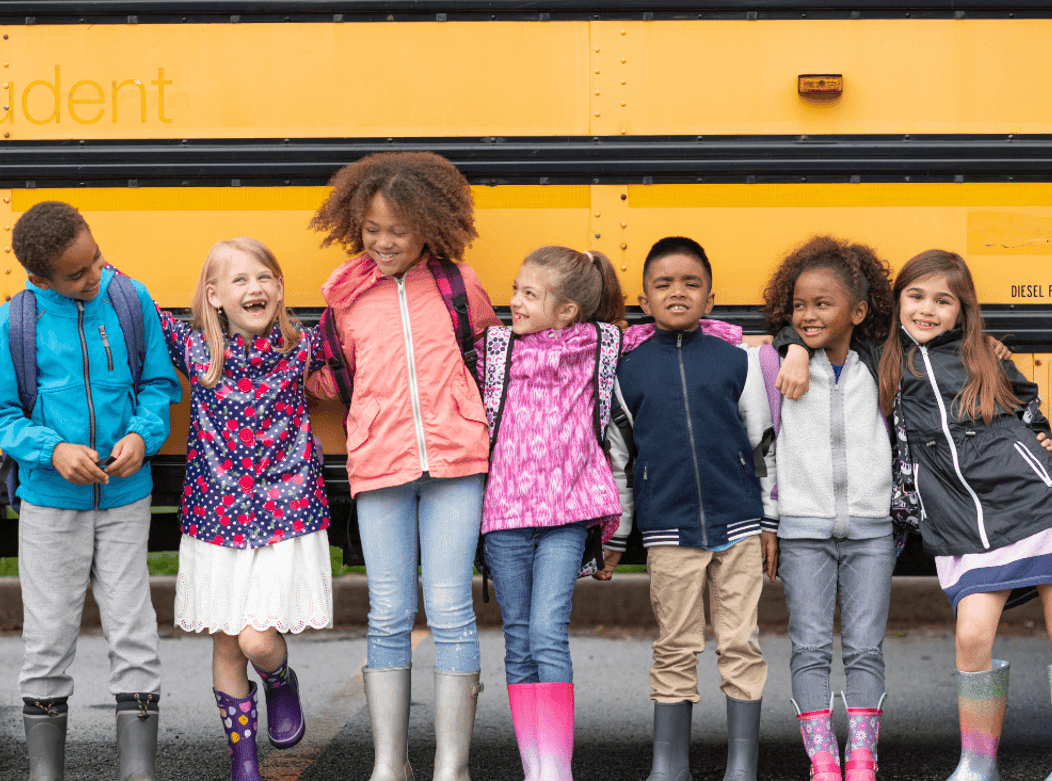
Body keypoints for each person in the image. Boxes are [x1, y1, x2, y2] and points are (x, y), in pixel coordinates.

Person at [876, 249, 1052, 781]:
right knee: (973, 636)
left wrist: (1040, 430)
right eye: (915, 296)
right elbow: (818, 325)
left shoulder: (983, 353)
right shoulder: (885, 357)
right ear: (897, 301)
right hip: (959, 518)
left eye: (942, 300)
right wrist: (793, 348)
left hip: (1031, 500)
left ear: (962, 310)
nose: (927, 310)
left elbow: (1026, 402)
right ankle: (977, 762)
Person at [307, 151, 500, 781]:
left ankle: (452, 763)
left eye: (398, 230)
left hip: (457, 461)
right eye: (372, 229)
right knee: (388, 611)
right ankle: (390, 760)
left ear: (429, 227)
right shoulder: (345, 294)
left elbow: (490, 361)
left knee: (449, 609)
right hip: (380, 462)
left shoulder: (457, 286)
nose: (384, 242)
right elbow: (331, 377)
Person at [0, 201, 181, 781]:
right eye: (78, 274)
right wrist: (52, 450)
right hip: (49, 503)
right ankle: (47, 773)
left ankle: (136, 771)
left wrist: (144, 433)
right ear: (40, 278)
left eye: (95, 260)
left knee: (134, 632)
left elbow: (157, 383)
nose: (94, 276)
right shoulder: (16, 321)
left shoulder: (128, 298)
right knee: (47, 639)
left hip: (125, 498)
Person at [150, 238, 333, 781]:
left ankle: (279, 680)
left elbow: (352, 315)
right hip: (216, 516)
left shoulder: (300, 346)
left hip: (285, 512)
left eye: (265, 278)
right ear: (214, 296)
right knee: (227, 643)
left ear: (279, 289)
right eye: (239, 281)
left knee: (256, 639)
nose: (255, 288)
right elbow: (137, 305)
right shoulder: (199, 352)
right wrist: (87, 263)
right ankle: (244, 761)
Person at [601, 236, 775, 781]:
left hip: (741, 526)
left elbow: (764, 449)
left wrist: (769, 522)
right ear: (644, 300)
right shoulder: (627, 373)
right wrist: (614, 537)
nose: (678, 292)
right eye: (664, 284)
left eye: (690, 283)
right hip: (668, 529)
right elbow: (619, 462)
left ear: (710, 298)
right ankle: (669, 764)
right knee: (674, 644)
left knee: (740, 642)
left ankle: (741, 763)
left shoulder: (738, 362)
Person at [479, 246, 626, 781]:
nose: (514, 301)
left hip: (566, 515)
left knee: (547, 632)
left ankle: (556, 769)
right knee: (518, 638)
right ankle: (533, 764)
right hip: (505, 515)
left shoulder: (600, 344)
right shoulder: (495, 349)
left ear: (567, 310)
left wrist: (780, 346)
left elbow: (670, 333)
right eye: (516, 289)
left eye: (529, 295)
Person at [757, 236, 897, 781]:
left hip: (871, 532)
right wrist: (771, 523)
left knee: (865, 647)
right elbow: (763, 448)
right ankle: (823, 759)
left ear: (859, 312)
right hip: (802, 530)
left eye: (823, 304)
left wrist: (997, 350)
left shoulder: (883, 361)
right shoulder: (774, 363)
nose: (809, 315)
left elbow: (944, 343)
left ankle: (862, 757)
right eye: (799, 305)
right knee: (809, 647)